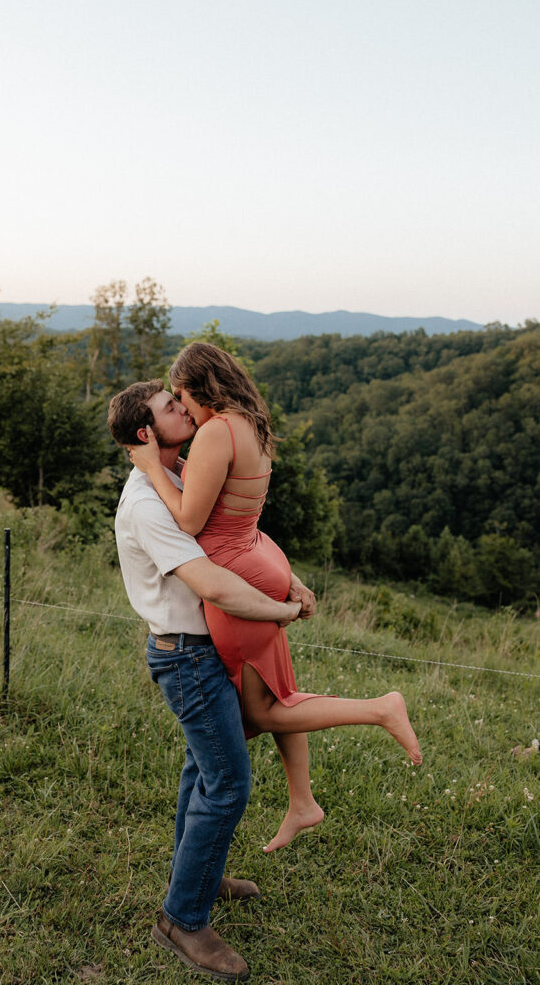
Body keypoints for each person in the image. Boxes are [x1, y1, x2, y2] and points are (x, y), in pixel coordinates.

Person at [129, 342, 423, 853]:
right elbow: (239, 515)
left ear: (201, 386)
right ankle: (302, 800)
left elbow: (192, 522)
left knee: (260, 714)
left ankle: (380, 708)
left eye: (181, 395)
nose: (183, 407)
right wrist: (284, 579)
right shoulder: (250, 423)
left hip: (233, 568)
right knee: (275, 694)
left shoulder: (217, 433)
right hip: (258, 552)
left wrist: (152, 468)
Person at [108, 379, 313, 983]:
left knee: (203, 770)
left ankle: (197, 877)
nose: (185, 407)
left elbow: (238, 531)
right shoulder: (148, 502)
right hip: (187, 657)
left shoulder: (177, 479)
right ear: (147, 435)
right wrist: (282, 612)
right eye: (171, 408)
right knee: (227, 783)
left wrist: (289, 579)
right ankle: (182, 919)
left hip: (207, 650)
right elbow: (214, 583)